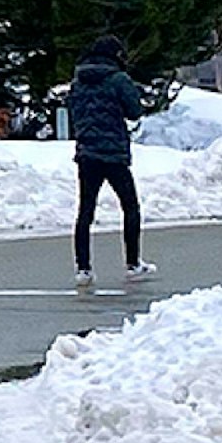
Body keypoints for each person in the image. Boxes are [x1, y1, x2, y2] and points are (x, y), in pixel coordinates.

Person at [67, 32, 144, 284]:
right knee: (130, 206)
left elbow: (73, 111)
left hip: (87, 152)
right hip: (114, 153)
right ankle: (132, 262)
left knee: (85, 209)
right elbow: (134, 112)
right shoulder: (118, 79)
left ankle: (83, 268)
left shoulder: (78, 81)